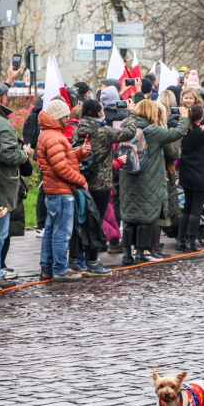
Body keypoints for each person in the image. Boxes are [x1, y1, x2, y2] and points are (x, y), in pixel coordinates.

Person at [71, 98, 137, 274]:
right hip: (100, 185)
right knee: (96, 223)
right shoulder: (103, 132)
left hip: (81, 183)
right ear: (98, 113)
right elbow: (129, 132)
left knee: (81, 222)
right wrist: (131, 112)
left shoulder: (77, 131)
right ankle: (93, 262)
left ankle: (77, 260)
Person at [118, 99, 186, 263]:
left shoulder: (126, 125)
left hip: (128, 178)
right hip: (148, 180)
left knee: (128, 217)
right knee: (146, 217)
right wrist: (184, 117)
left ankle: (127, 254)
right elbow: (176, 134)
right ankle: (141, 253)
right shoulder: (153, 130)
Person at [0, 74, 30, 288]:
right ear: (3, 99)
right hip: (0, 185)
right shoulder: (1, 124)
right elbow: (8, 155)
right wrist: (25, 154)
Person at [37, 97, 91, 281]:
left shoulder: (49, 134)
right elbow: (61, 168)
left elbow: (60, 160)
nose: (68, 118)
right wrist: (80, 179)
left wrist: (79, 153)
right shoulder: (54, 137)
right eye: (66, 116)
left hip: (53, 191)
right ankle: (60, 269)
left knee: (51, 231)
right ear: (58, 117)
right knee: (62, 233)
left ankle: (47, 268)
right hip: (61, 192)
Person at [177, 105, 204, 252]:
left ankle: (181, 241)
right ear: (200, 118)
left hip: (187, 175)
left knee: (187, 208)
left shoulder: (186, 131)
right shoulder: (201, 132)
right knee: (196, 209)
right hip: (200, 176)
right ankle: (190, 242)